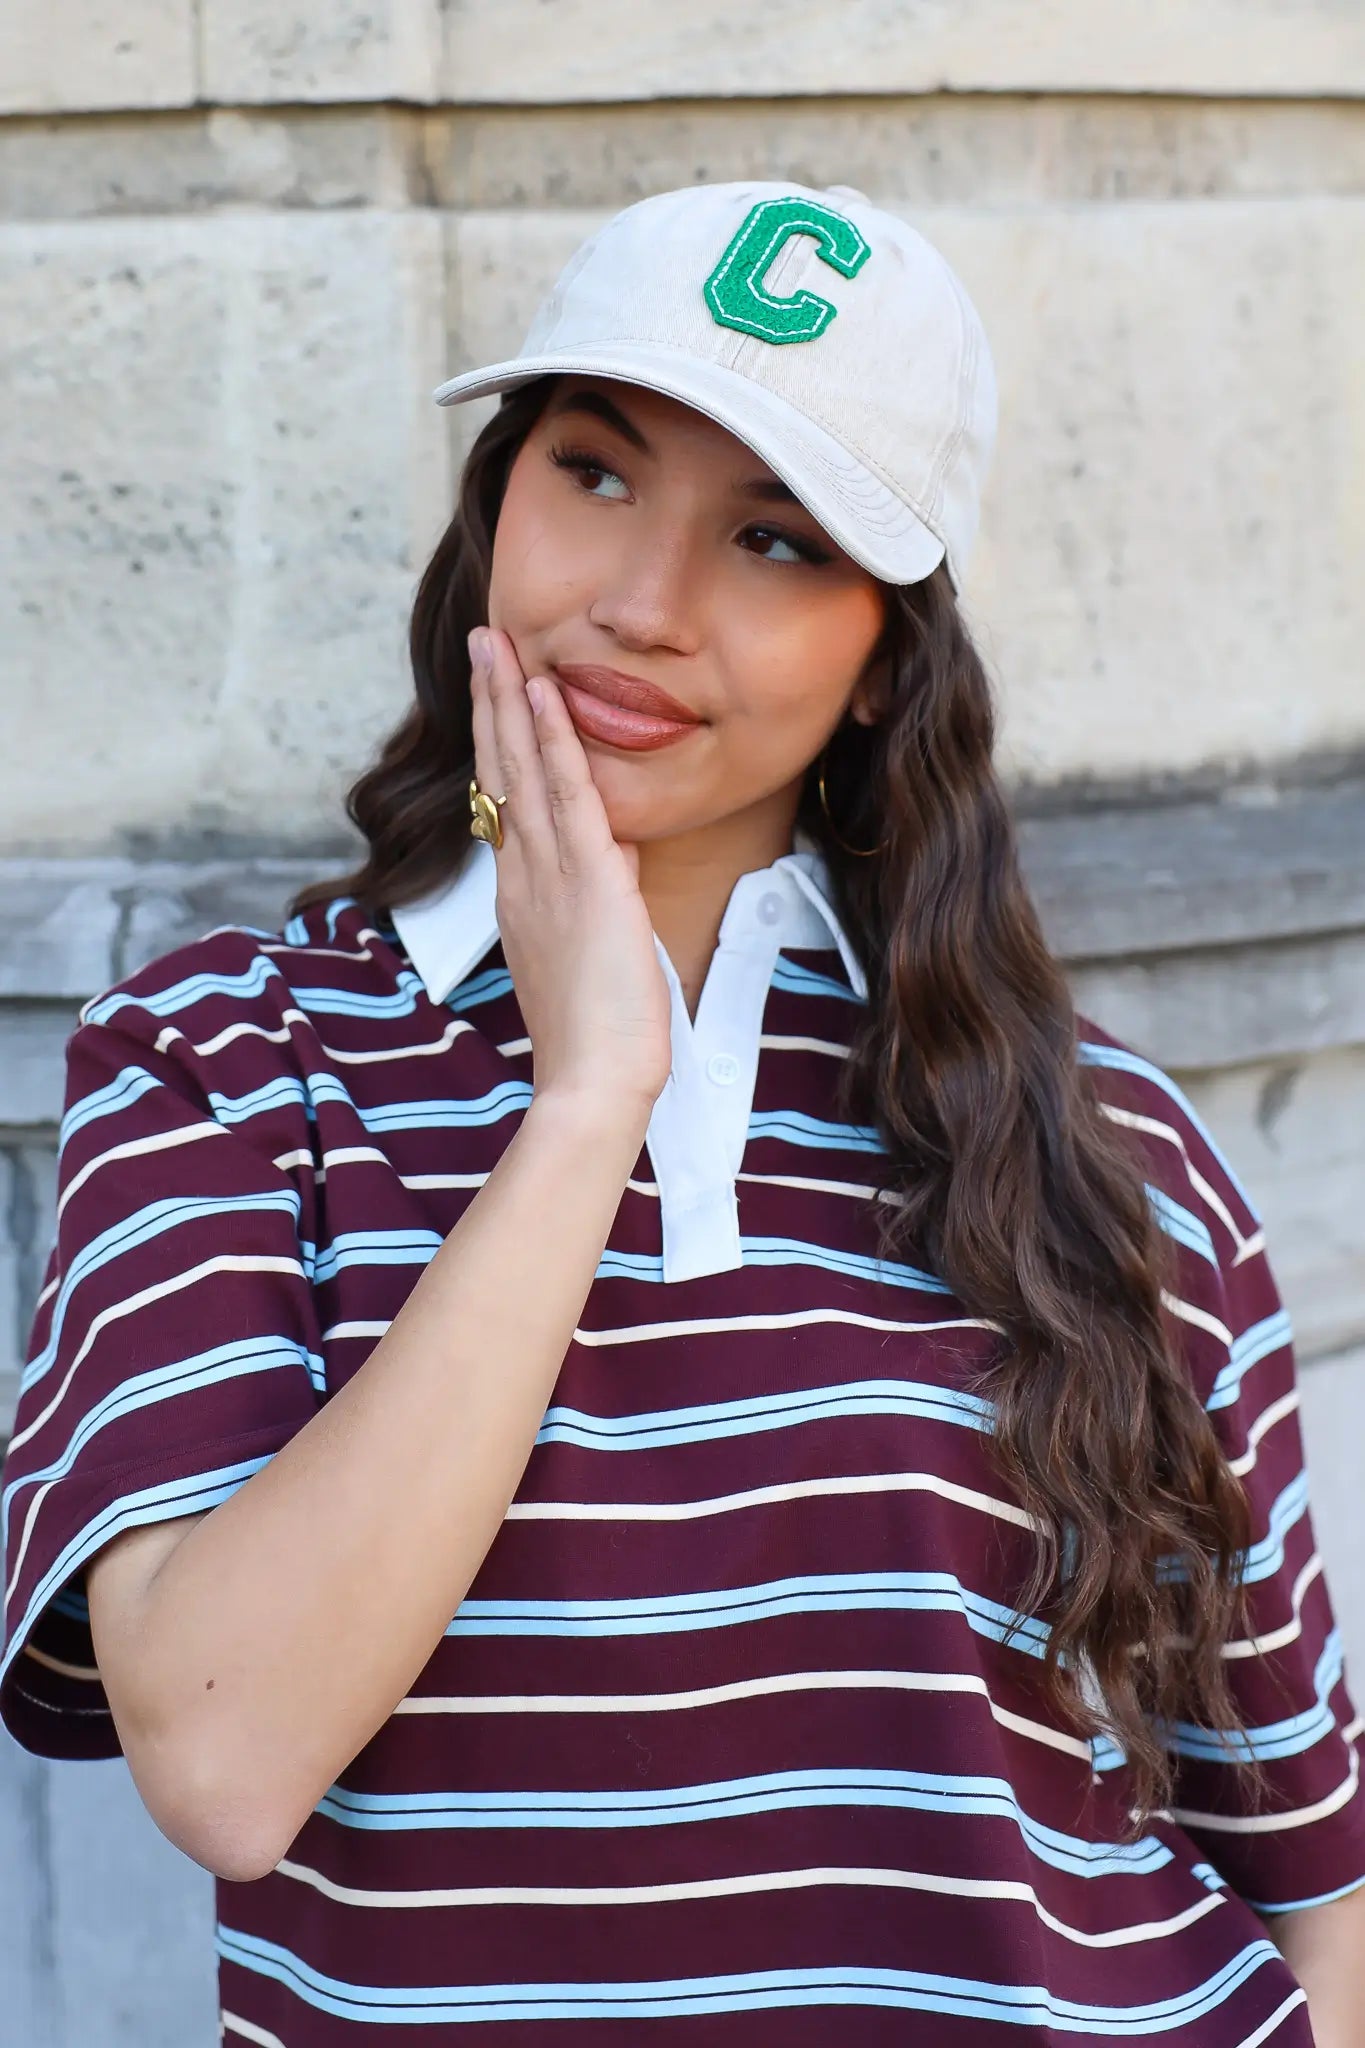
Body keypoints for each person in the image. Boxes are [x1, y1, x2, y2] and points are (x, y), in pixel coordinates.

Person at [2, 179, 1363, 2046]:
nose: (641, 606)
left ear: (886, 653)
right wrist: (586, 1105)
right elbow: (227, 1763)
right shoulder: (228, 1065)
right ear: (496, 506)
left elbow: (1300, 1855)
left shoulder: (1096, 1139)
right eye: (598, 472)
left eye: (778, 542)